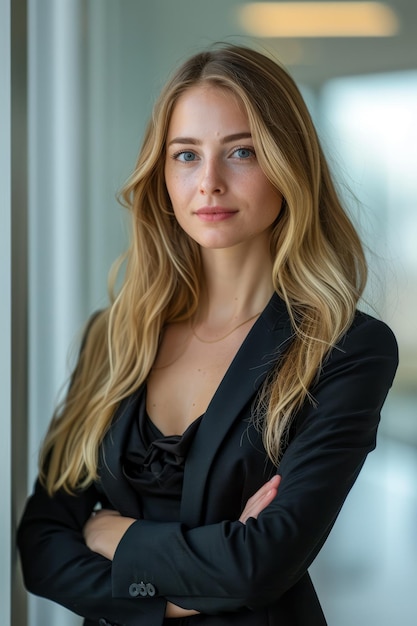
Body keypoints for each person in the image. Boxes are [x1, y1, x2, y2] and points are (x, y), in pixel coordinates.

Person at [18, 44, 398, 626]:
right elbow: (43, 546)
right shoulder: (114, 337)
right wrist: (178, 594)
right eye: (186, 155)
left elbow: (259, 566)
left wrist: (108, 529)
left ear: (288, 164)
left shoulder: (346, 349)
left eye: (241, 151)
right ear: (162, 174)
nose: (210, 183)